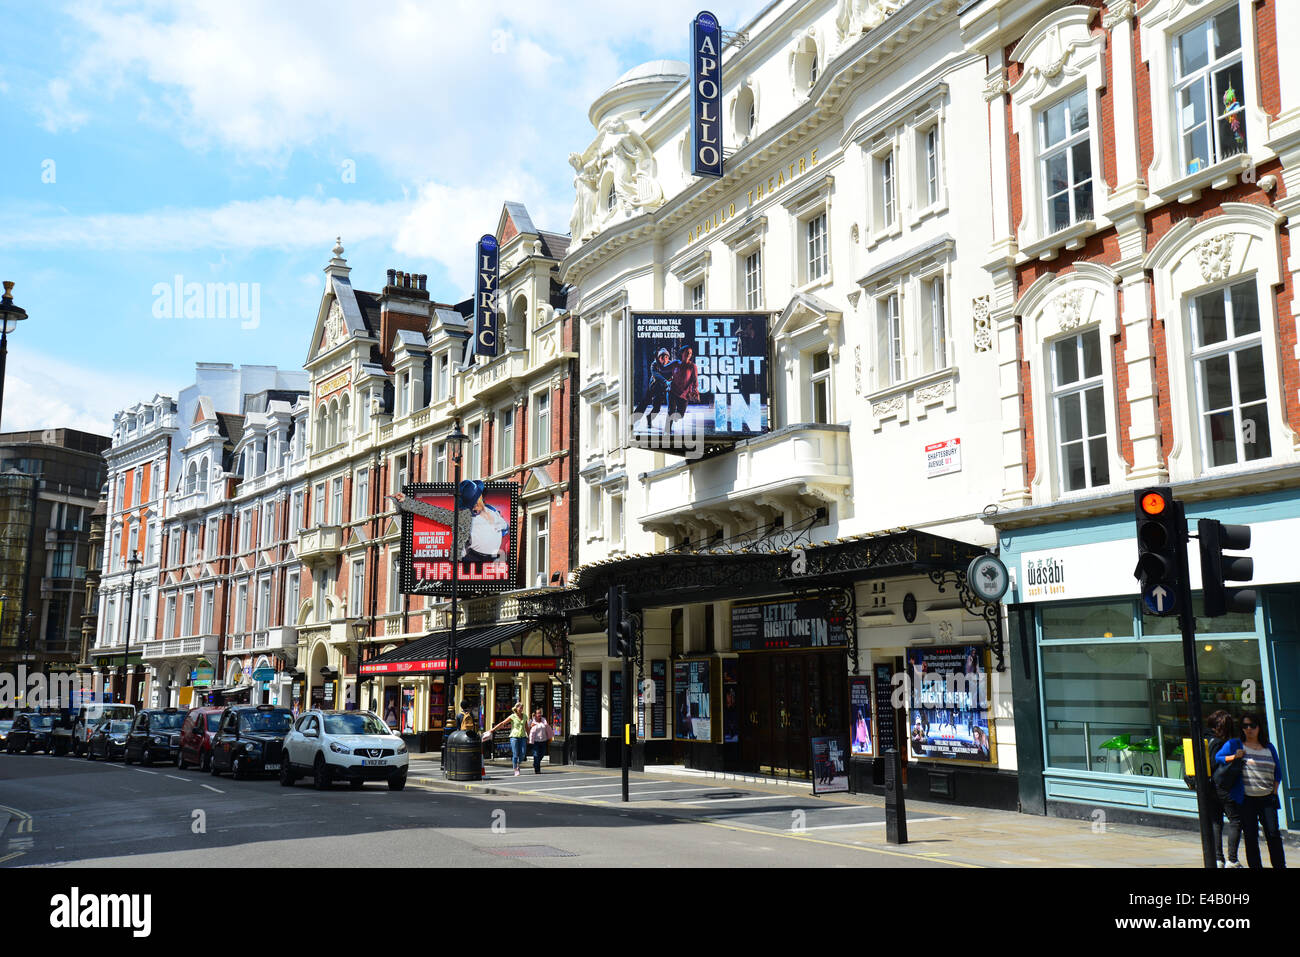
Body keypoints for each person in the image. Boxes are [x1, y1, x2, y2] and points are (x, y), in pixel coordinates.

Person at [1216, 711, 1285, 869]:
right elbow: (1218, 757)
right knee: (1251, 836)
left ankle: (1280, 865)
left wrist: (1274, 791)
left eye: (1252, 725)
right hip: (1246, 799)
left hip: (1267, 797)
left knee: (1273, 834)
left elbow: (1278, 772)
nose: (1249, 729)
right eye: (1245, 726)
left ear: (1259, 727)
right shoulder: (1235, 744)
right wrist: (1234, 757)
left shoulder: (1268, 747)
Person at [487, 701, 530, 776]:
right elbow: (502, 723)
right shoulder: (512, 716)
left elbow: (526, 727)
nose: (521, 709)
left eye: (522, 708)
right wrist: (493, 730)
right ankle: (516, 768)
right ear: (516, 708)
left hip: (523, 737)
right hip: (514, 737)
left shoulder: (525, 716)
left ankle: (517, 764)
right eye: (520, 707)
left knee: (523, 754)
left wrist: (529, 736)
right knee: (515, 754)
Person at [634, 348, 676, 422]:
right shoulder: (654, 364)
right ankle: (634, 419)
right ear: (659, 358)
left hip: (661, 389)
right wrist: (666, 381)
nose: (664, 359)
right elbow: (656, 375)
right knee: (644, 403)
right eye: (662, 357)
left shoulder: (671, 365)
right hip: (653, 387)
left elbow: (674, 375)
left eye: (666, 357)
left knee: (656, 408)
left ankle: (649, 418)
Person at [667, 345, 699, 421]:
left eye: (690, 353)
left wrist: (695, 390)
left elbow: (695, 380)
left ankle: (674, 417)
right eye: (687, 352)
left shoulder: (692, 366)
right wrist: (657, 361)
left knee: (681, 415)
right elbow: (663, 369)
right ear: (682, 353)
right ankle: (667, 430)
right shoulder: (675, 363)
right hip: (673, 391)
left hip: (685, 393)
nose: (688, 354)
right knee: (671, 411)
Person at [527, 708, 551, 774]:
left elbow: (547, 728)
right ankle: (537, 769)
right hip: (535, 741)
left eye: (540, 713)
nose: (539, 714)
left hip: (543, 740)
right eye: (538, 713)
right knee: (536, 755)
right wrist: (530, 727)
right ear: (535, 714)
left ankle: (535, 763)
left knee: (542, 754)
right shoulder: (532, 721)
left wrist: (550, 736)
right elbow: (527, 729)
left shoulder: (544, 720)